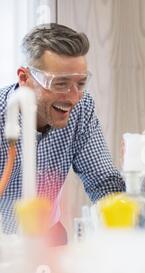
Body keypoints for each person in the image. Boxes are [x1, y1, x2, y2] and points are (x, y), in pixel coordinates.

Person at [0, 23, 126, 241]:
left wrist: (118, 218)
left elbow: (103, 180)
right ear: (24, 78)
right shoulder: (5, 116)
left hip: (47, 235)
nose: (73, 97)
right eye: (60, 84)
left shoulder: (81, 107)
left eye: (81, 83)